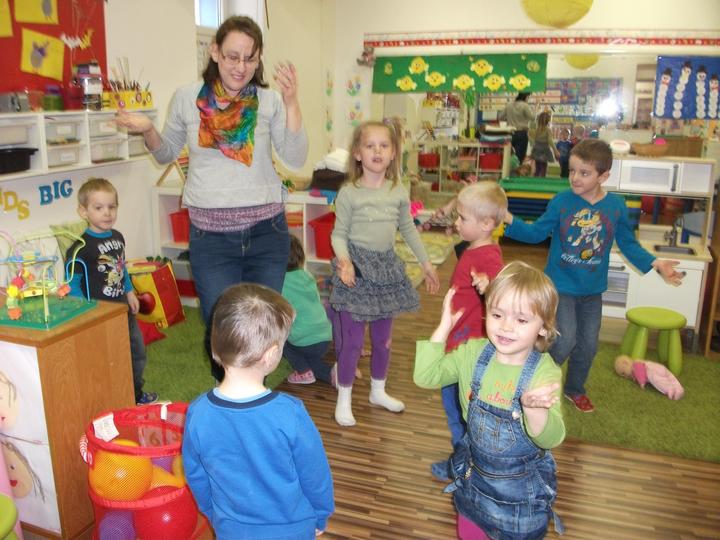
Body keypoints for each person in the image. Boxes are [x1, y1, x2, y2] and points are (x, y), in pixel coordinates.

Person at [115, 16, 307, 381]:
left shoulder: (269, 101)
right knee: (221, 330)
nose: (241, 67)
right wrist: (149, 129)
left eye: (250, 58)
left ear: (259, 59)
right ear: (215, 52)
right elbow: (165, 153)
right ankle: (228, 397)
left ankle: (255, 398)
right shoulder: (187, 98)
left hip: (267, 234)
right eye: (233, 56)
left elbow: (295, 157)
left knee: (262, 328)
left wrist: (292, 102)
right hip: (212, 240)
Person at [503, 139, 684, 413]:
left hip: (592, 291)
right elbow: (536, 233)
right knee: (564, 340)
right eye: (572, 171)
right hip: (560, 286)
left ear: (603, 176)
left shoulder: (616, 206)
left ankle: (574, 389)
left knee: (588, 345)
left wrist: (656, 262)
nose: (575, 178)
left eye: (584, 173)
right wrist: (508, 219)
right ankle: (533, 380)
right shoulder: (562, 202)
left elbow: (628, 244)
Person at [414, 261, 565, 540]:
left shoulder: (543, 372)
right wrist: (444, 328)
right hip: (473, 488)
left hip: (521, 504)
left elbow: (551, 438)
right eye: (497, 314)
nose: (506, 327)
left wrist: (535, 411)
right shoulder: (472, 353)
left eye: (521, 320)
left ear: (543, 328)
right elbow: (425, 376)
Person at [182, 283, 334, 539]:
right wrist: (321, 512)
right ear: (272, 355)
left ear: (215, 348)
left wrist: (212, 512)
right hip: (291, 530)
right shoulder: (290, 413)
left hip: (231, 529)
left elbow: (196, 474)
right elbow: (314, 474)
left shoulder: (198, 413)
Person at [331, 119, 440, 427]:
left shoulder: (397, 191)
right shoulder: (349, 193)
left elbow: (408, 229)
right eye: (370, 146)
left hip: (386, 271)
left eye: (384, 146)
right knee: (353, 343)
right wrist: (344, 261)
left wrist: (426, 264)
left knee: (384, 340)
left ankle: (377, 391)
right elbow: (339, 234)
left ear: (393, 153)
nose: (377, 151)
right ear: (357, 153)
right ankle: (344, 398)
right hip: (356, 271)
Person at [431, 181, 507, 482]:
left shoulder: (488, 257)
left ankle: (464, 465)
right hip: (459, 339)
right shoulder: (474, 246)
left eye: (462, 218)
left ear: (486, 224)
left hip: (468, 348)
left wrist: (491, 288)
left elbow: (504, 297)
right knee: (456, 407)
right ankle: (466, 461)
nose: (457, 223)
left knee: (459, 410)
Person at [66, 178, 157, 405]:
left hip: (123, 310)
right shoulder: (79, 248)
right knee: (107, 359)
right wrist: (85, 312)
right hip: (99, 316)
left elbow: (121, 267)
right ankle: (111, 397)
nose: (107, 213)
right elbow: (72, 284)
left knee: (136, 352)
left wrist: (130, 292)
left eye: (112, 206)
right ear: (83, 211)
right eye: (99, 208)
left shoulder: (117, 237)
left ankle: (135, 395)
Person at [282, 235, 334, 386]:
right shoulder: (307, 275)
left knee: (279, 340)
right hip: (325, 336)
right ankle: (333, 374)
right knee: (311, 358)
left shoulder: (279, 283)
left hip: (305, 341)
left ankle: (303, 371)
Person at [500, 92, 534, 162]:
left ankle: (507, 168)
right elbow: (532, 117)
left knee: (507, 155)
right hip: (521, 133)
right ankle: (517, 168)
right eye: (528, 97)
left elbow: (500, 117)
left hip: (509, 133)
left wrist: (509, 119)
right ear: (526, 97)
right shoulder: (525, 105)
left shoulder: (509, 104)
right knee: (519, 157)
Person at [529, 111, 560, 178]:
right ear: (548, 121)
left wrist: (533, 148)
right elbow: (550, 141)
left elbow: (532, 139)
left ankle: (536, 179)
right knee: (544, 167)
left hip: (537, 149)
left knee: (538, 167)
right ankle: (542, 179)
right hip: (545, 150)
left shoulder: (536, 129)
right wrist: (555, 150)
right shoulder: (547, 130)